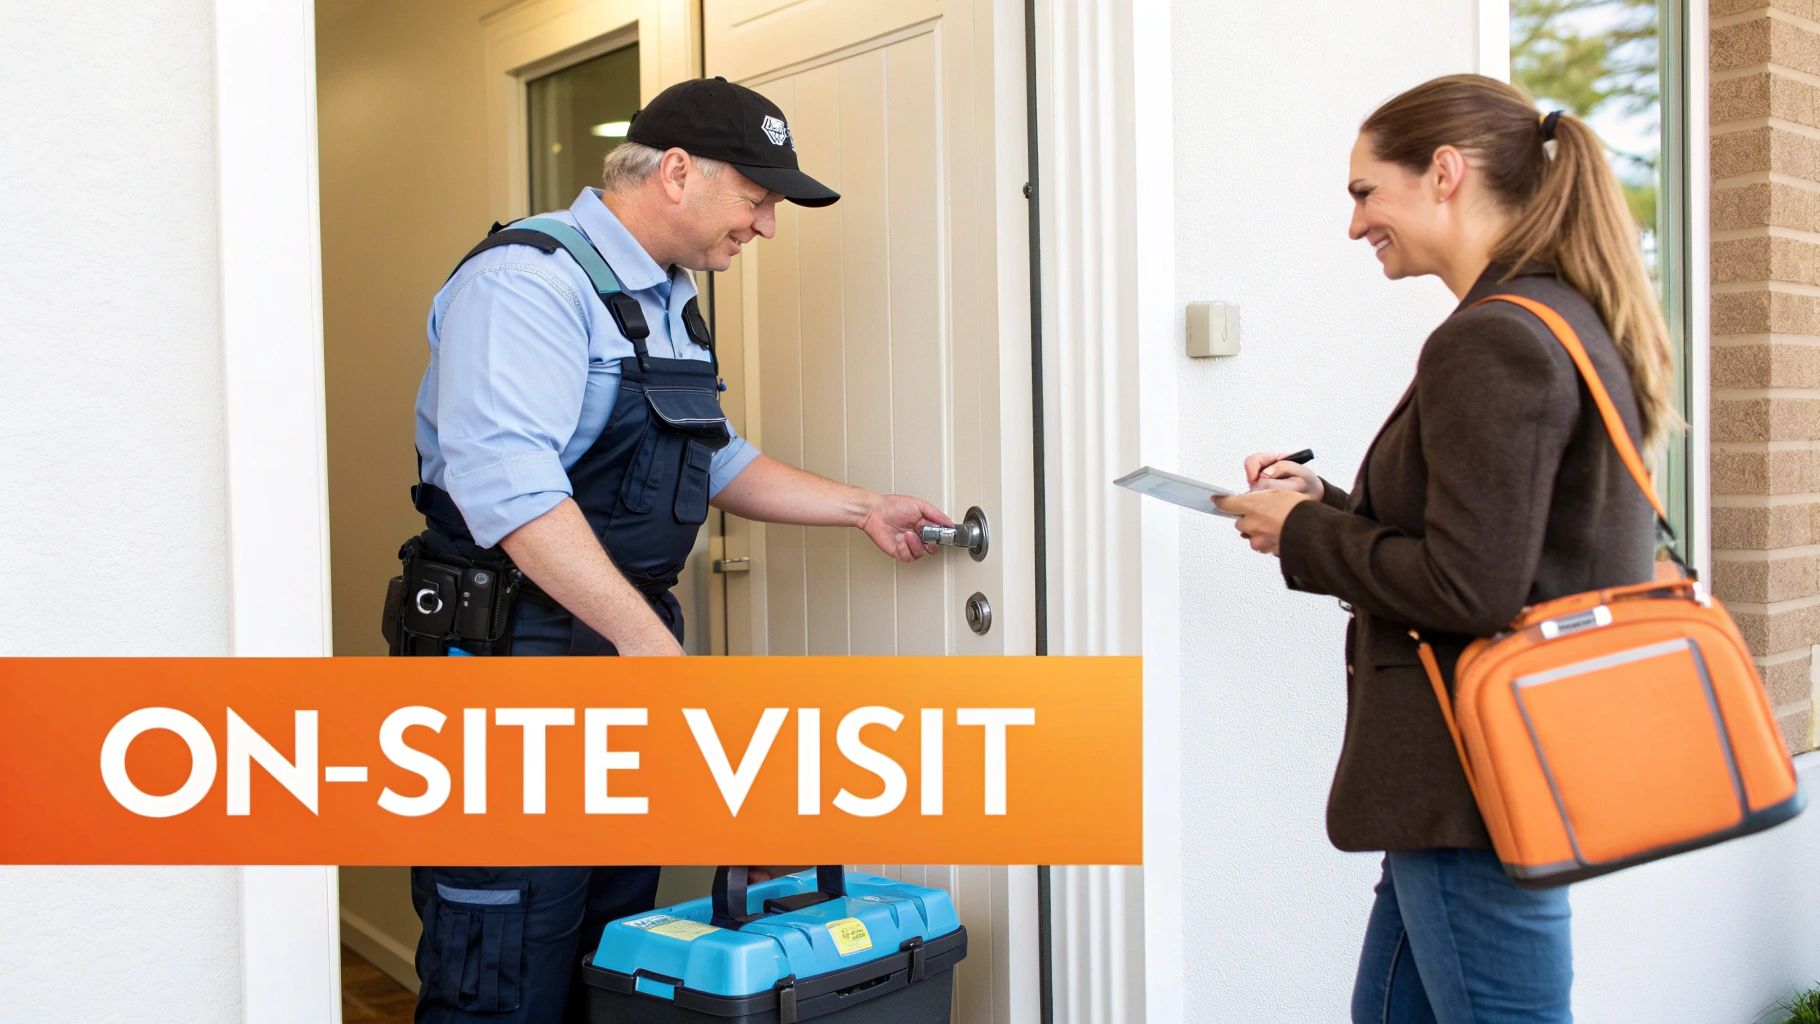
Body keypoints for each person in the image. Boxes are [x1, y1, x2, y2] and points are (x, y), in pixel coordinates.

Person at [395, 77, 954, 1022]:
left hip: (615, 656)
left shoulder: (664, 297)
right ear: (680, 173)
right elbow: (512, 492)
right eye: (757, 198)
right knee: (502, 964)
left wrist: (864, 508)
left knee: (611, 942)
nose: (767, 226)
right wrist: (650, 648)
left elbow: (709, 455)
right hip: (505, 666)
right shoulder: (527, 281)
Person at [1214, 74, 1678, 1023]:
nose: (1355, 226)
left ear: (1445, 173)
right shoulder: (1559, 316)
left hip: (1471, 788)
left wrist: (1303, 533)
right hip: (1483, 785)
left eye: (1364, 193)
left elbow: (1469, 586)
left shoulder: (1492, 340)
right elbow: (1501, 548)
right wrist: (1325, 505)